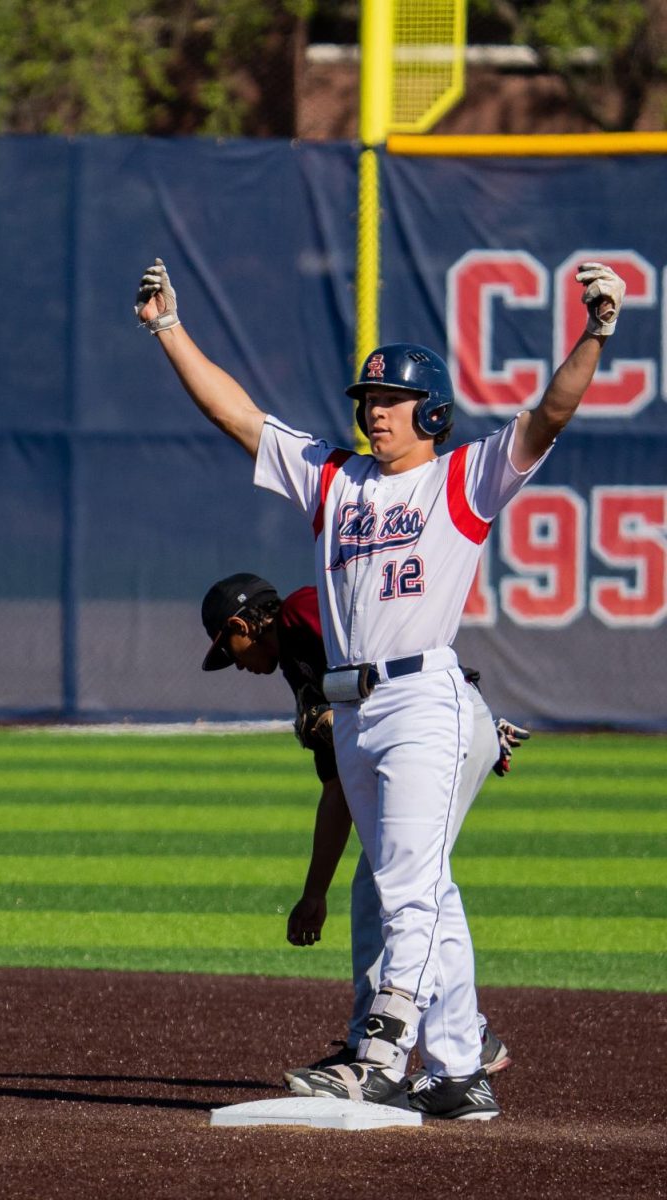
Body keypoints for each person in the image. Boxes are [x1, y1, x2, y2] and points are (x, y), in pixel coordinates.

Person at [135, 256, 625, 1120]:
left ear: (429, 411)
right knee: (427, 887)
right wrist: (169, 328)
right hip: (353, 707)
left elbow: (550, 414)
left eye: (389, 401)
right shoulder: (335, 479)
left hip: (423, 697)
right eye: (366, 401)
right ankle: (461, 1066)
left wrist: (594, 331)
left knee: (403, 883)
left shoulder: (461, 479)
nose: (374, 412)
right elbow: (234, 414)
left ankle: (382, 1052)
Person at [199, 570, 528, 1080]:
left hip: (437, 731)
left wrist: (469, 716)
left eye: (230, 647)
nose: (235, 663)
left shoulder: (304, 609)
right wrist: (314, 895)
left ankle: (434, 1041)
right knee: (392, 881)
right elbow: (339, 793)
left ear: (244, 623)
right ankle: (448, 1039)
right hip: (442, 729)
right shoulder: (300, 669)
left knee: (400, 883)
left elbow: (392, 652)